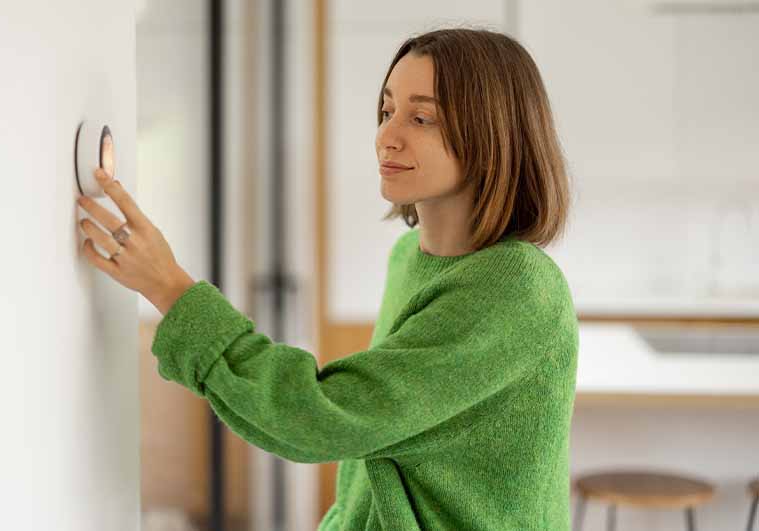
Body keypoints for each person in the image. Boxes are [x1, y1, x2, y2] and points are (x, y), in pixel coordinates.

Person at [77, 27, 577, 531]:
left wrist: (170, 287)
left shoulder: (516, 290)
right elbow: (375, 447)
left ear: (493, 136)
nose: (387, 135)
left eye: (421, 118)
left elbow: (322, 418)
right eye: (387, 112)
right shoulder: (409, 257)